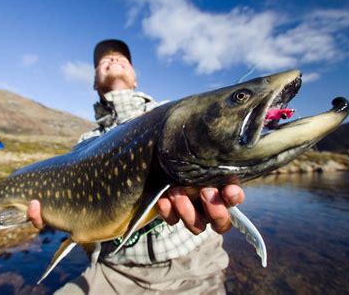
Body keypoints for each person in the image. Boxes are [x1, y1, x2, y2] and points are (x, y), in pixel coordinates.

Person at [27, 39, 246, 294]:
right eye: (104, 60)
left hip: (191, 268)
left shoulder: (173, 115)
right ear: (95, 82)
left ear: (135, 78)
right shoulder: (84, 145)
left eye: (122, 57)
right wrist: (53, 214)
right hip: (113, 273)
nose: (113, 59)